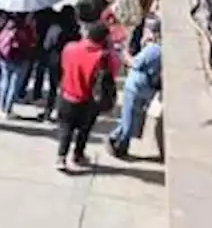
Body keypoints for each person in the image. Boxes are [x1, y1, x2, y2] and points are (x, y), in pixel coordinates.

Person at [55, 22, 119, 170]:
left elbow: (63, 66)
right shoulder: (104, 57)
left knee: (66, 128)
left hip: (67, 94)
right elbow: (113, 72)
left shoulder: (70, 48)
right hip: (89, 100)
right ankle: (78, 155)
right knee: (84, 130)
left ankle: (61, 157)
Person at [107, 17, 162, 159]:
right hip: (143, 88)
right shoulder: (155, 48)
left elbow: (134, 63)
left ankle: (117, 141)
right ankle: (119, 142)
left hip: (136, 88)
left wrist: (122, 52)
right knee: (131, 118)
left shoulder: (153, 50)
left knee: (129, 118)